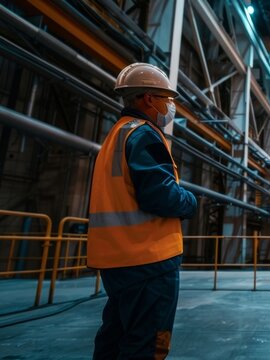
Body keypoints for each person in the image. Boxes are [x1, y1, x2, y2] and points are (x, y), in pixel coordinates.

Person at [87, 62, 197, 359]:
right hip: (149, 259)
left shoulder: (115, 135)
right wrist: (190, 201)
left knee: (115, 336)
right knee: (149, 344)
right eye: (167, 99)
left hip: (117, 260)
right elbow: (160, 195)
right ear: (148, 98)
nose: (170, 107)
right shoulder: (144, 134)